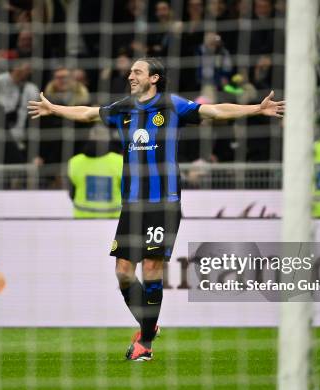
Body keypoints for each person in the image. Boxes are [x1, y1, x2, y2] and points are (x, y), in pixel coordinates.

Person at [27, 57, 284, 361]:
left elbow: (215, 110)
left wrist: (256, 108)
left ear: (155, 78)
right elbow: (86, 113)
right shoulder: (123, 108)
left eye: (137, 71)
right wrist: (54, 108)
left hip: (163, 202)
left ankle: (145, 344)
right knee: (123, 272)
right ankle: (149, 326)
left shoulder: (171, 105)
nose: (130, 75)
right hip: (132, 205)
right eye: (131, 71)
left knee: (151, 268)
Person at [67, 124, 123, 219]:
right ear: (108, 139)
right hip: (113, 220)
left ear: (90, 137)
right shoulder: (120, 161)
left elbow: (72, 192)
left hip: (82, 219)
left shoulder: (74, 162)